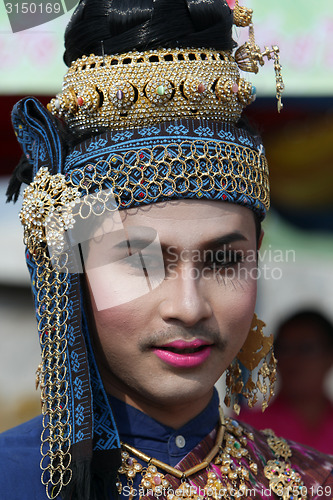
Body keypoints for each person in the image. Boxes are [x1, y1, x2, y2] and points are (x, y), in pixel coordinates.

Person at [0, 1, 332, 499]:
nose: (188, 307)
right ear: (70, 262)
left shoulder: (313, 485)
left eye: (223, 260)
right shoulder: (14, 480)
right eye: (138, 259)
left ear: (258, 255)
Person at [239, 310, 333, 454]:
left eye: (306, 348)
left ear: (329, 356)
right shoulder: (246, 429)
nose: (293, 359)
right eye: (284, 349)